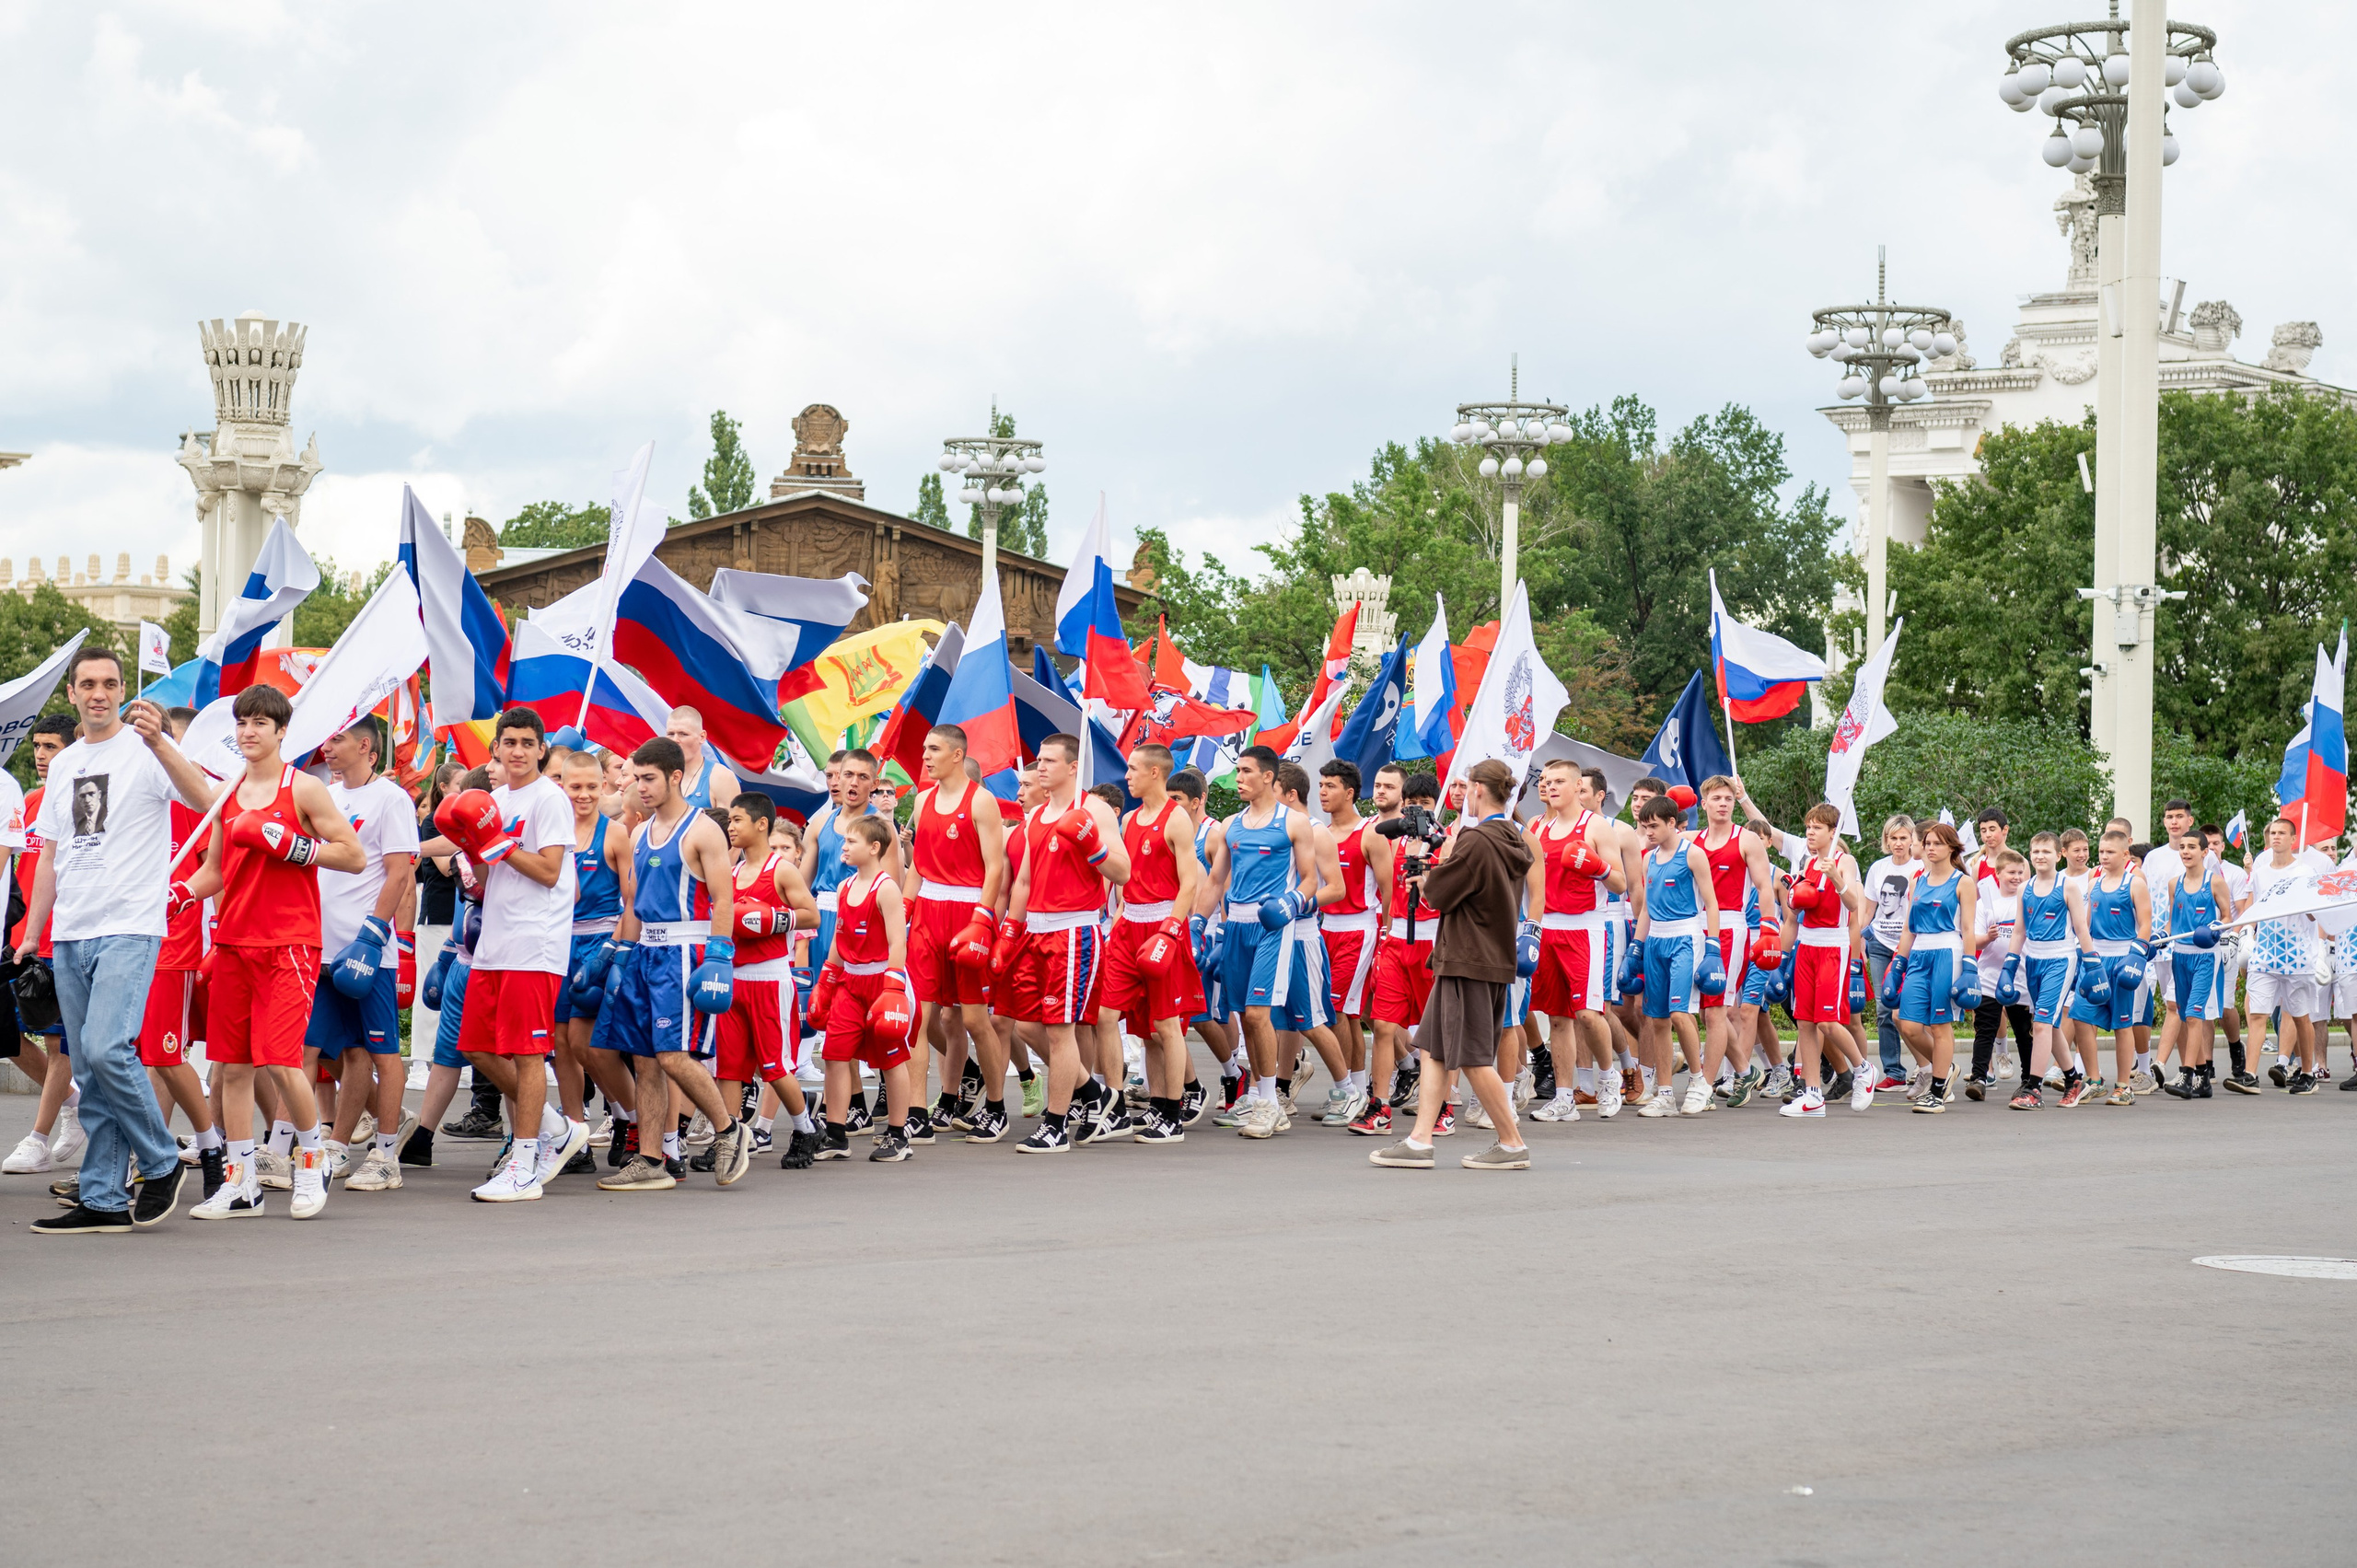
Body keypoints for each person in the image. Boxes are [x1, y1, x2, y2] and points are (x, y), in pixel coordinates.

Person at [13, 653, 218, 1233]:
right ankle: (102, 1198)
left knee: (108, 1049)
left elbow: (205, 801)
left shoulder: (146, 750)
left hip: (130, 922)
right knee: (91, 1070)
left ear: (123, 690)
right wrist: (34, 933)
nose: (98, 693)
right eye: (87, 685)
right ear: (74, 695)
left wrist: (161, 744)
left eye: (109, 684)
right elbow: (51, 853)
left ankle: (159, 1160)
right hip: (72, 930)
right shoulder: (65, 763)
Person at [175, 682, 368, 1222]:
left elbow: (353, 856)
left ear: (282, 731)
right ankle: (240, 1183)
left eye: (260, 723)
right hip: (234, 942)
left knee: (283, 1062)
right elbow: (213, 871)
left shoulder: (303, 788)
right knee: (232, 1068)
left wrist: (295, 845)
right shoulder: (227, 793)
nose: (249, 732)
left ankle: (312, 1159)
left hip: (290, 944)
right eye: (242, 723)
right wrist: (181, 893)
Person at [585, 737, 758, 1188]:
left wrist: (720, 955)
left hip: (686, 951)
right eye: (635, 778)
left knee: (673, 1056)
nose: (639, 786)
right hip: (646, 951)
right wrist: (621, 953)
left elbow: (724, 898)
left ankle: (728, 1130)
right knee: (644, 1060)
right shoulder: (639, 832)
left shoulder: (703, 830)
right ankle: (651, 1159)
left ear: (675, 776)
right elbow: (636, 902)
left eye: (648, 778)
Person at [438, 709, 589, 1199]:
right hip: (494, 941)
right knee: (474, 1046)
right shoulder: (494, 798)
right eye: (510, 742)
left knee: (527, 1054)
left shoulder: (550, 799)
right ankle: (558, 1128)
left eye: (528, 742)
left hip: (535, 942)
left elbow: (549, 871)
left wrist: (496, 843)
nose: (518, 751)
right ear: (496, 749)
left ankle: (523, 1165)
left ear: (542, 749)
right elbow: (485, 884)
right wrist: (469, 847)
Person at [1367, 759, 1537, 1170]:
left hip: (1468, 958)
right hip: (1475, 955)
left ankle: (1512, 1143)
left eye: (1467, 786)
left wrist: (1424, 873)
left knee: (1474, 1056)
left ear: (1479, 789)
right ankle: (1420, 1139)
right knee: (1434, 1049)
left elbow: (1441, 894)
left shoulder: (1478, 839)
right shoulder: (1509, 837)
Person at [307, 717, 421, 1192]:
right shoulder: (323, 796)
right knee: (338, 1053)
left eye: (336, 740)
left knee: (381, 1051)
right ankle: (334, 1144)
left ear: (366, 747)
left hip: (368, 951)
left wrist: (377, 936)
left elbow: (400, 874)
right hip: (321, 947)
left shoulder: (391, 799)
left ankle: (388, 1155)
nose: (327, 748)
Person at [1003, 734, 1132, 1153]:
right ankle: (1096, 1096)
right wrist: (1009, 929)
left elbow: (1123, 872)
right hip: (1034, 930)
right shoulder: (1035, 814)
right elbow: (1023, 880)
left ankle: (1055, 1125)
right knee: (1026, 1025)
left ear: (1073, 768)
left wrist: (1093, 846)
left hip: (1074, 929)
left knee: (1061, 1032)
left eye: (1050, 761)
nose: (1040, 767)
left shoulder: (1092, 808)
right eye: (1039, 759)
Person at [1203, 746, 1329, 1141]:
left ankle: (1271, 1103)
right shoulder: (1230, 825)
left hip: (1274, 925)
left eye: (1246, 772)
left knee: (1259, 1015)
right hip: (1237, 925)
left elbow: (1310, 879)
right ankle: (1263, 1099)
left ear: (1269, 777)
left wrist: (1292, 901)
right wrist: (1190, 921)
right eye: (1237, 771)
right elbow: (1215, 881)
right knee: (1243, 1015)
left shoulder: (1294, 823)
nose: (1238, 778)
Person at [1094, 743, 1205, 1144]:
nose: (1127, 775)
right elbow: (1125, 879)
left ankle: (1170, 1113)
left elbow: (1190, 882)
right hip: (1130, 925)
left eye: (1133, 769)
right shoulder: (1129, 821)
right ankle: (1115, 1104)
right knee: (1108, 1017)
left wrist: (1173, 929)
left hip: (1163, 925)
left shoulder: (1177, 819)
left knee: (1164, 1027)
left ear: (1155, 773)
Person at [901, 725, 1007, 1144]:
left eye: (934, 749)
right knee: (921, 1017)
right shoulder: (923, 800)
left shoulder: (981, 801)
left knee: (974, 1019)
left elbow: (995, 867)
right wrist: (906, 912)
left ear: (958, 755)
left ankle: (996, 1106)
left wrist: (982, 919)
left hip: (967, 913)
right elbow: (920, 868)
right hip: (928, 912)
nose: (925, 756)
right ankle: (916, 1111)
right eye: (925, 748)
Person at [711, 790, 821, 1165]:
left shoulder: (782, 869)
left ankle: (806, 1129)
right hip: (733, 979)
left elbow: (812, 915)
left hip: (770, 979)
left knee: (774, 1066)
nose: (731, 826)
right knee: (728, 1067)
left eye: (737, 820)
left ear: (761, 824)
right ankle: (726, 1138)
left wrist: (777, 919)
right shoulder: (732, 872)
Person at [2, 714, 84, 1178]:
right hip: (19, 942)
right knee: (9, 1038)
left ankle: (40, 1136)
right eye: (36, 745)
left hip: (61, 941)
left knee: (57, 1045)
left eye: (50, 746)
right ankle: (73, 1101)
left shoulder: (84, 803)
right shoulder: (29, 800)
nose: (39, 754)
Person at [1526, 758, 1629, 1123]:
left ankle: (1607, 1076)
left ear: (1575, 787)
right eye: (1547, 781)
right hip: (1547, 926)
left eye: (1558, 781)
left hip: (1585, 927)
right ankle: (1565, 1097)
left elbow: (1620, 883)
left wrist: (1596, 867)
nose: (1550, 787)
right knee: (1556, 1018)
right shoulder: (1537, 828)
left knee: (1587, 1012)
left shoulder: (1595, 826)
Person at [552, 749, 638, 1170]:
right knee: (560, 1046)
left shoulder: (614, 833)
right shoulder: (552, 830)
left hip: (598, 943)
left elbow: (632, 901)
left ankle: (634, 1119)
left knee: (588, 1045)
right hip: (556, 946)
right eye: (575, 787)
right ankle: (575, 1135)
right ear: (561, 787)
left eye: (591, 787)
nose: (583, 795)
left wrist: (614, 951)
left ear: (603, 786)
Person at [1353, 766, 1445, 1136]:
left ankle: (1441, 1104)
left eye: (1424, 803)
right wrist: (1386, 933)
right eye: (1411, 803)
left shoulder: (1447, 841)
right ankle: (1380, 1105)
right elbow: (1389, 892)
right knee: (1385, 1026)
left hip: (1430, 941)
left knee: (1434, 1030)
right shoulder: (1393, 840)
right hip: (1396, 940)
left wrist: (1428, 862)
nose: (1416, 810)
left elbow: (1444, 895)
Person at [1620, 792, 1722, 1120]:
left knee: (1681, 1015)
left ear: (1672, 823)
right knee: (1658, 1019)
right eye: (1644, 826)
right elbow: (1648, 907)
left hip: (1685, 937)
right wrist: (1636, 946)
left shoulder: (1693, 855)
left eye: (1653, 826)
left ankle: (1698, 1082)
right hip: (1656, 941)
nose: (1648, 832)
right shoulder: (1648, 859)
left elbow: (1711, 902)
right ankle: (1664, 1093)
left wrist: (1713, 946)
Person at [1774, 803, 1872, 1119]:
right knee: (1805, 1020)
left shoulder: (1844, 861)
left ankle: (1863, 1069)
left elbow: (1853, 904)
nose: (1810, 833)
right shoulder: (1807, 863)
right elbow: (1793, 914)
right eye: (1808, 827)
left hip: (1833, 945)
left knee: (1828, 1021)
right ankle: (1813, 1094)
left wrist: (1837, 879)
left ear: (1833, 831)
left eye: (1817, 827)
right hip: (1807, 945)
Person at [1887, 819, 1979, 1112]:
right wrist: (1898, 965)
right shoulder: (1917, 881)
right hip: (1919, 953)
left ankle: (1937, 1092)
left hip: (1947, 953)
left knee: (1940, 1025)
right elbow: (1908, 929)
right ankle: (1945, 1066)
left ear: (1952, 847)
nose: (1931, 848)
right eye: (1927, 843)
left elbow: (1967, 928)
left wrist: (1970, 968)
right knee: (1909, 1024)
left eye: (1937, 843)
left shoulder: (1963, 882)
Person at [1315, 759, 1384, 1125]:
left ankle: (1350, 1093)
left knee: (1337, 1009)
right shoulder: (1321, 834)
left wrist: (1387, 936)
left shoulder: (1369, 833)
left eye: (1330, 786)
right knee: (1348, 1014)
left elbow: (1387, 890)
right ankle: (1355, 1089)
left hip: (1360, 929)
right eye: (1321, 785)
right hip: (1325, 928)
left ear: (1350, 792)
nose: (1323, 792)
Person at [2067, 827, 2155, 1107]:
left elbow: (2145, 924)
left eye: (2110, 852)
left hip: (2123, 957)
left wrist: (2137, 956)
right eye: (2101, 851)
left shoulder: (2135, 883)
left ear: (2125, 854)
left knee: (2122, 1023)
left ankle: (2124, 1085)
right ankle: (2094, 1080)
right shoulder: (2093, 883)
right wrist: (2085, 954)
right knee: (2081, 1015)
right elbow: (2087, 923)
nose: (2103, 856)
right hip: (2096, 959)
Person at [2004, 832, 2091, 1109]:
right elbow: (2019, 930)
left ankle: (2033, 1088)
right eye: (2035, 851)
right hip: (2033, 960)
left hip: (2061, 959)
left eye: (2046, 851)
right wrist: (2009, 963)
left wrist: (2093, 963)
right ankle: (2074, 1080)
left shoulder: (2068, 887)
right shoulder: (2024, 888)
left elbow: (2081, 927)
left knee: (2041, 1024)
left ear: (2058, 855)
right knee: (2049, 1024)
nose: (2040, 855)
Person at [2245, 815, 2323, 1094]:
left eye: (2282, 833)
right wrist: (2244, 933)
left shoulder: (2305, 873)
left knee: (2300, 1015)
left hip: (2296, 954)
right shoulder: (2261, 872)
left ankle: (2306, 1073)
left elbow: (2315, 916)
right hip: (2265, 951)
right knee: (2257, 1013)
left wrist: (2304, 899)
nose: (2276, 837)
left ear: (2293, 839)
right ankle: (2249, 1074)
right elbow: (2255, 907)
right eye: (2273, 832)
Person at [2159, 829, 2235, 1100]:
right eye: (2182, 847)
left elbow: (2227, 917)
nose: (2186, 851)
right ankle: (2203, 1078)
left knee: (2193, 1015)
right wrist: (2160, 936)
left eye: (2192, 847)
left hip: (2205, 956)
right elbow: (2171, 921)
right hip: (2180, 955)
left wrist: (2216, 928)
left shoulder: (2214, 882)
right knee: (2183, 1014)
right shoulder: (2173, 883)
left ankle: (2186, 1074)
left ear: (2205, 852)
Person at [1859, 815, 1922, 1098]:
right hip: (1880, 944)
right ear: (1887, 840)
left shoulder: (1920, 867)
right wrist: (1860, 938)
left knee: (1910, 1010)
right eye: (1893, 838)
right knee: (1885, 1008)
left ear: (1912, 840)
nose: (1898, 843)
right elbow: (1867, 908)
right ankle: (1894, 1072)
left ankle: (1926, 1065)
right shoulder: (1878, 868)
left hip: (1911, 947)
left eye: (1903, 838)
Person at [1963, 849, 2035, 1098]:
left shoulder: (2028, 901)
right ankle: (1979, 1078)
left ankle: (2028, 1080)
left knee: (2024, 1031)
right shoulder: (1985, 904)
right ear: (1998, 874)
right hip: (1989, 978)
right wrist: (1988, 937)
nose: (2016, 877)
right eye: (2011, 873)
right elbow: (1973, 941)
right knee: (1985, 1029)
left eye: (2020, 873)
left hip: (2021, 978)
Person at [667, 705, 740, 810]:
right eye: (671, 734)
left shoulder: (721, 777)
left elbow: (730, 825)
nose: (675, 740)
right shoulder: (661, 776)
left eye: (683, 734)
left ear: (702, 737)